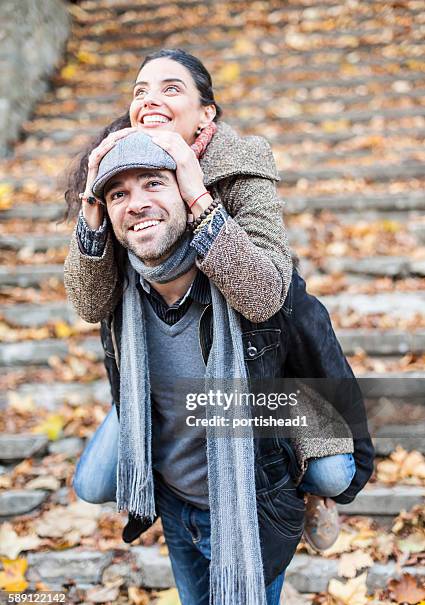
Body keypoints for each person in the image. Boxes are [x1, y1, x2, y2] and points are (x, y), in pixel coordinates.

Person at [64, 48, 371, 553]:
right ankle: (173, 460)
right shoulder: (120, 165)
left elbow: (264, 294)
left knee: (333, 472)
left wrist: (193, 184)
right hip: (163, 361)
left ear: (207, 112)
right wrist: (93, 210)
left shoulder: (241, 163)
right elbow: (90, 302)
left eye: (171, 88)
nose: (150, 99)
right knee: (93, 483)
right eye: (140, 90)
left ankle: (298, 493)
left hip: (261, 355)